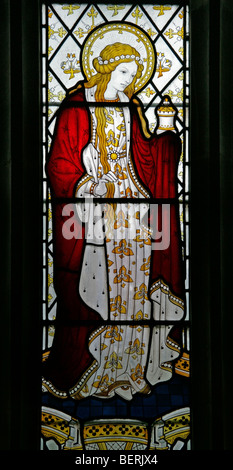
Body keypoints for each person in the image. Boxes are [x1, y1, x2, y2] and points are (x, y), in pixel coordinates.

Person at [42, 42, 185, 400]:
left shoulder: (129, 106)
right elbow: (60, 164)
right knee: (100, 285)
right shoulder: (76, 108)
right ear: (105, 69)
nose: (129, 82)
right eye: (124, 73)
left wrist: (166, 136)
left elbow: (144, 157)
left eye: (135, 75)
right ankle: (97, 370)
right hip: (94, 211)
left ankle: (129, 369)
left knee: (134, 287)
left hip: (133, 207)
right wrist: (87, 182)